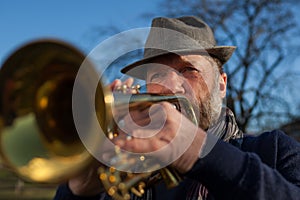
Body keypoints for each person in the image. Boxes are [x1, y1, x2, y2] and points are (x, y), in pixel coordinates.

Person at [54, 16, 300, 200]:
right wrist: (77, 192)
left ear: (222, 84)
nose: (171, 86)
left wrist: (197, 150)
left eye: (189, 70)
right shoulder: (126, 171)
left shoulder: (273, 150)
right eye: (159, 74)